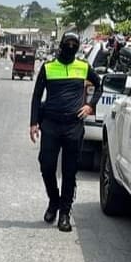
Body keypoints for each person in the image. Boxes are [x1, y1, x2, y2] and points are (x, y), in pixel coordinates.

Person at [29, 32, 102, 232]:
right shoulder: (48, 67)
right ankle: (54, 200)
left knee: (70, 171)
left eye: (74, 44)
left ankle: (64, 213)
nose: (71, 46)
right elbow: (37, 96)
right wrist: (34, 123)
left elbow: (99, 86)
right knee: (46, 165)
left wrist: (90, 106)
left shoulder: (83, 67)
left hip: (73, 126)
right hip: (50, 124)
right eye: (68, 43)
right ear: (61, 45)